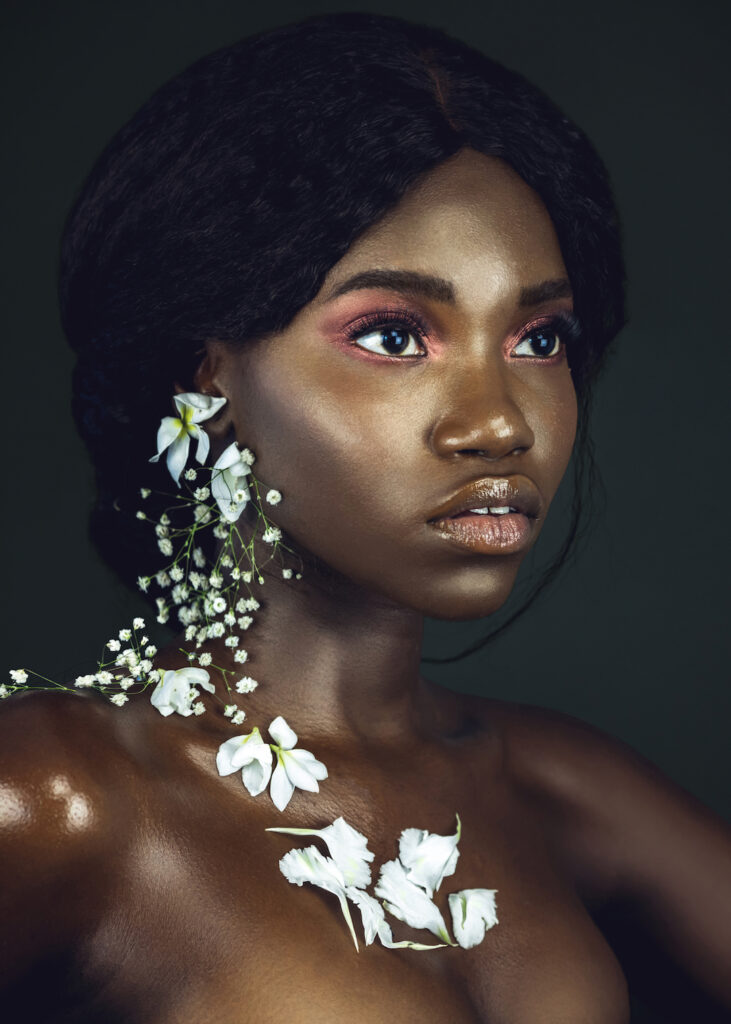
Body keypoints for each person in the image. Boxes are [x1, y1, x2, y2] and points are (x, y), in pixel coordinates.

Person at [1, 12, 729, 1023]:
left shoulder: (552, 788)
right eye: (393, 334)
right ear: (202, 374)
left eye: (536, 337)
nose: (496, 423)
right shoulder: (52, 800)